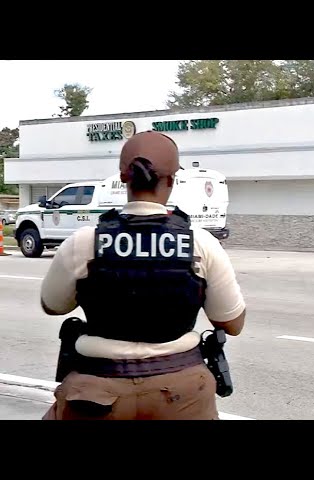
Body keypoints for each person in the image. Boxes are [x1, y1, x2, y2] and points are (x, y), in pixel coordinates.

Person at [40, 131, 246, 420]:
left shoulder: (84, 242)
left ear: (123, 176)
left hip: (96, 393)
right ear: (173, 180)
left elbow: (53, 305)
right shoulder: (199, 242)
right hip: (181, 394)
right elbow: (232, 323)